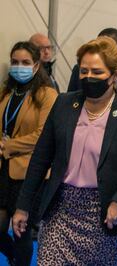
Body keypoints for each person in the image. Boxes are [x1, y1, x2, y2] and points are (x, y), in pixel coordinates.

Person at [12, 36, 117, 265]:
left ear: (115, 75)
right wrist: (23, 207)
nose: (89, 77)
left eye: (97, 72)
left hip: (104, 214)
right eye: (84, 71)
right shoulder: (64, 104)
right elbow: (40, 158)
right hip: (60, 209)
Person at [0, 41, 57, 265]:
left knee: (21, 230)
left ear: (36, 65)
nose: (19, 66)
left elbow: (42, 135)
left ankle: (20, 260)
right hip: (4, 170)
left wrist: (8, 145)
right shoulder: (6, 93)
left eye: (25, 62)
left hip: (29, 172)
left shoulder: (47, 94)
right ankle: (15, 256)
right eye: (15, 62)